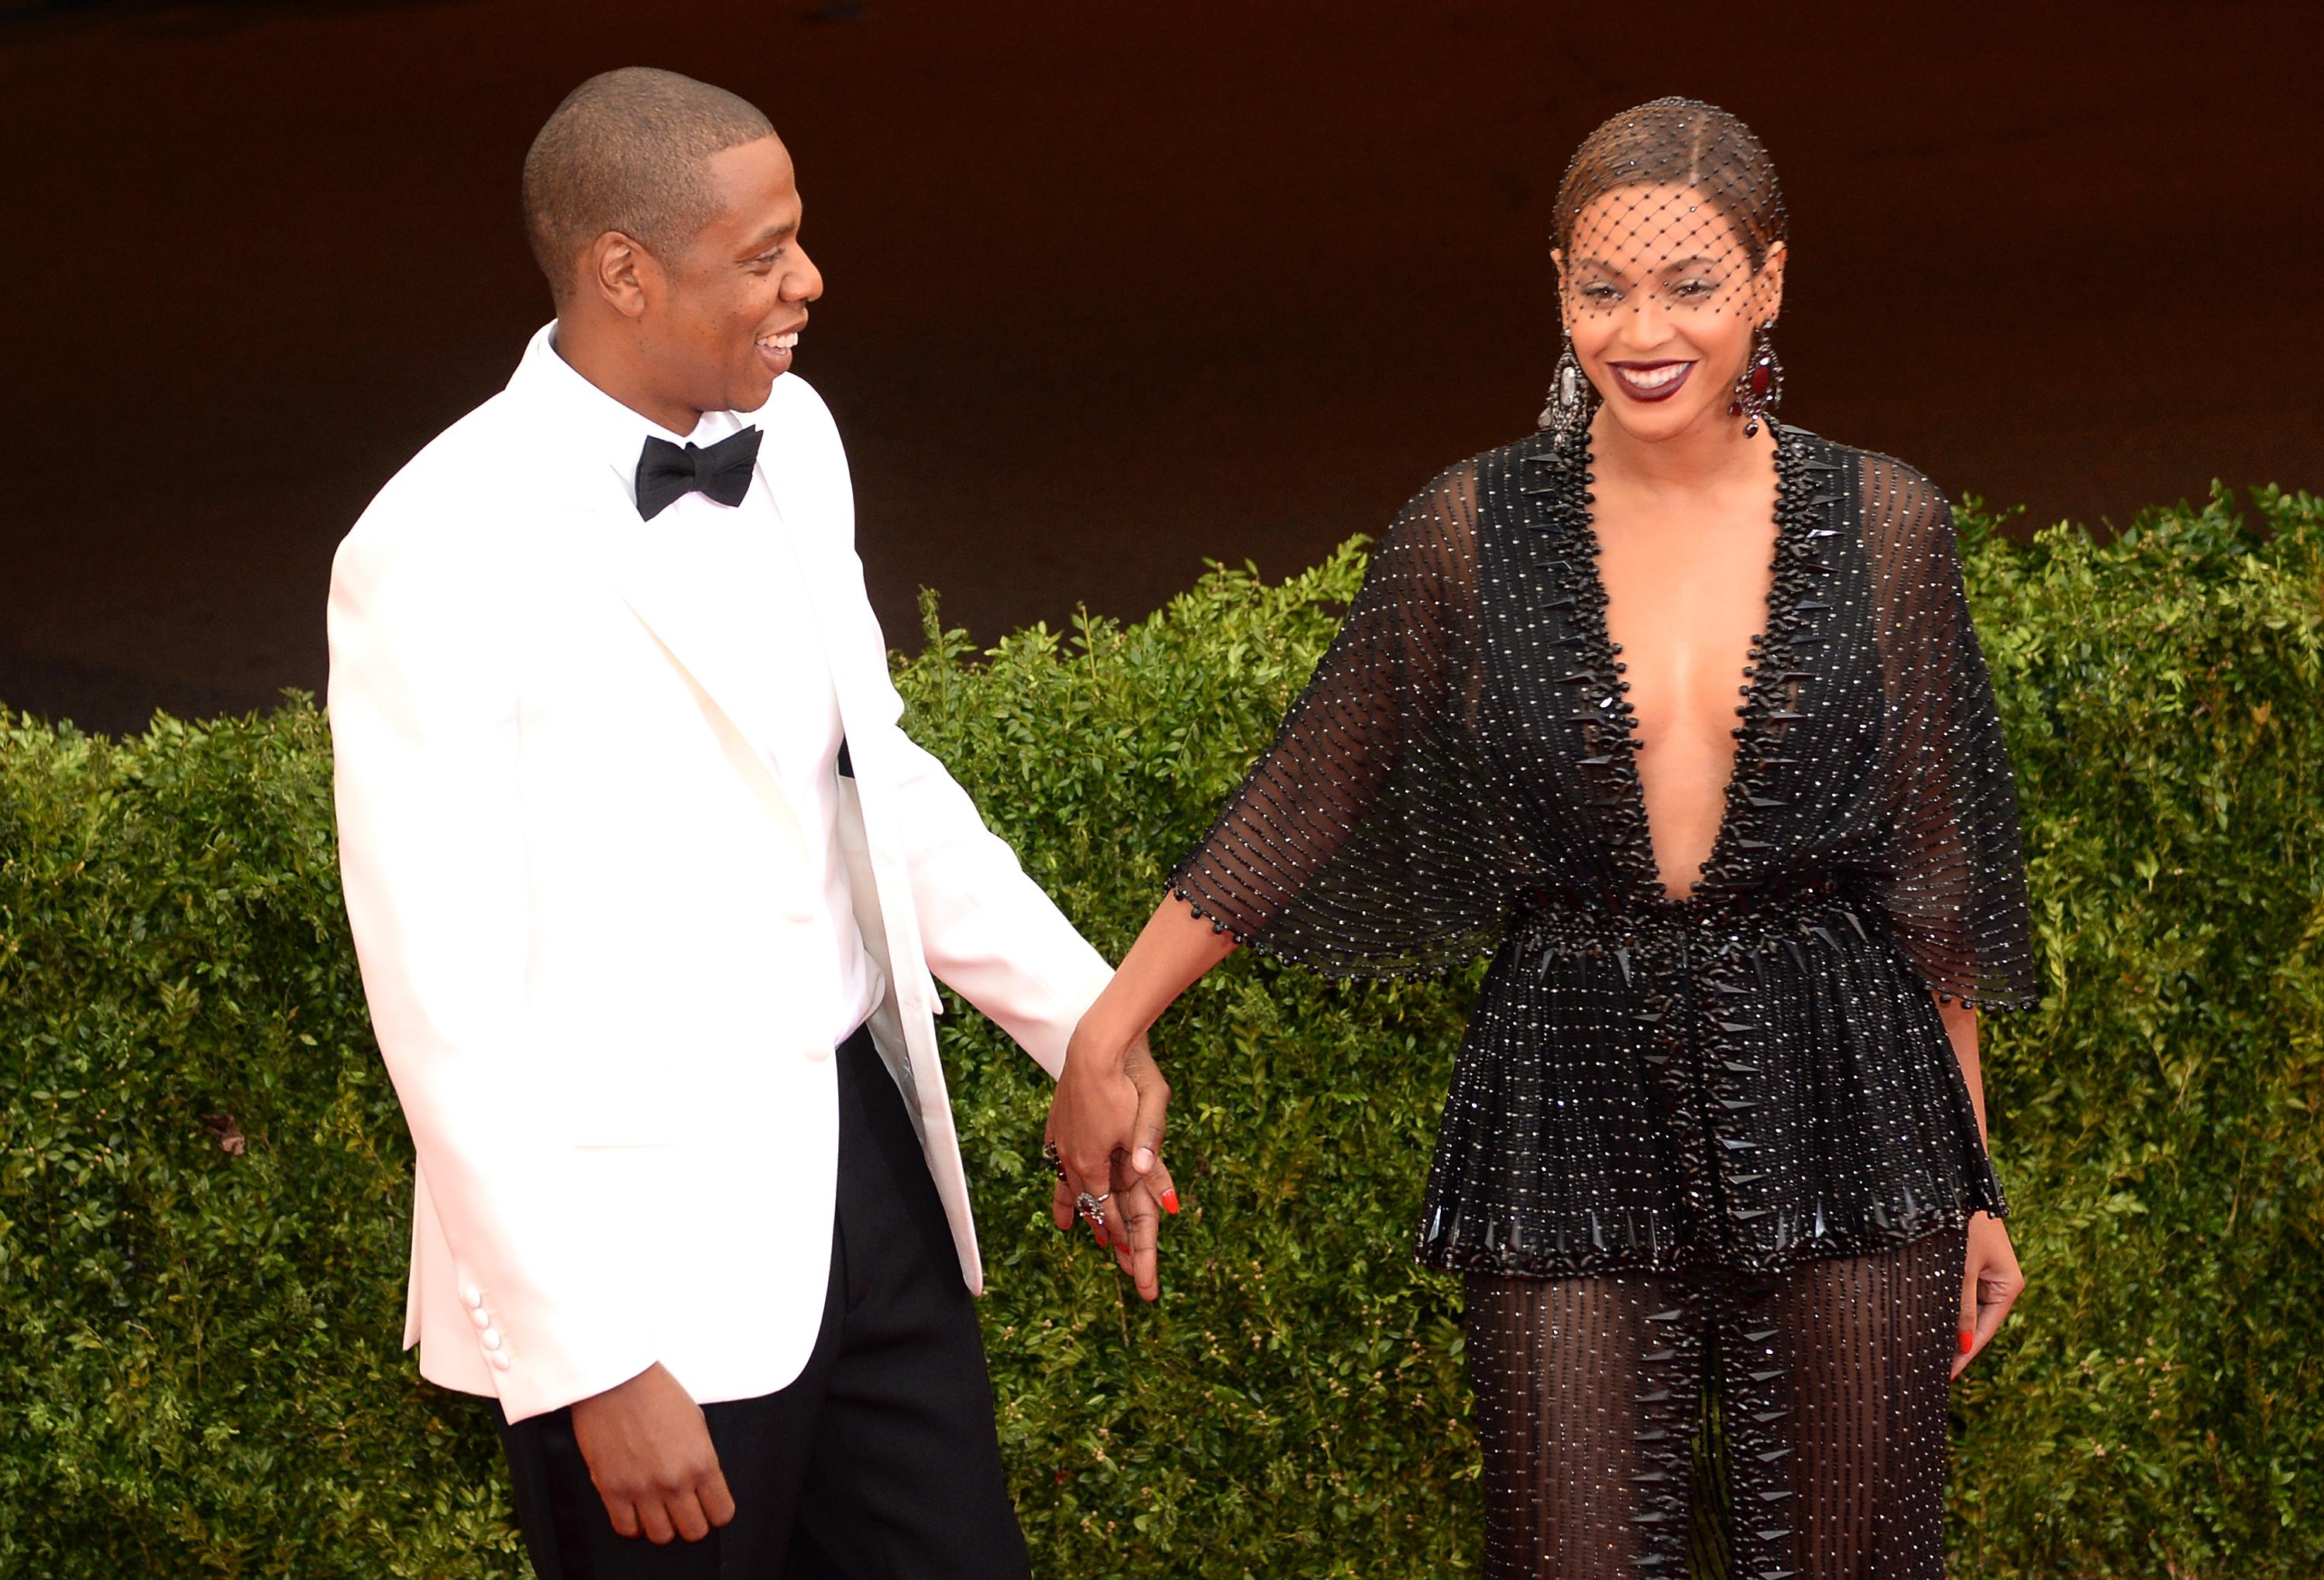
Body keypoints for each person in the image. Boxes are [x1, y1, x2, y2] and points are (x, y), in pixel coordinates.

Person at [1045, 98, 2033, 1577]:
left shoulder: (1887, 522)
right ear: (1558, 283)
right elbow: (1306, 796)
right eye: (1603, 286)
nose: (1645, 330)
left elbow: (1936, 871)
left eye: (1692, 284)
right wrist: (1102, 1033)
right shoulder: (1470, 527)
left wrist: (1970, 1177)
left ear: (1769, 283)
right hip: (1570, 1093)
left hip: (1852, 1096)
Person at [329, 67, 1171, 1578]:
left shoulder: (799, 437)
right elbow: (437, 1010)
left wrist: (1088, 1029)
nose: (809, 283)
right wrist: (585, 1357)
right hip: (641, 1265)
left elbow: (876, 781)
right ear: (624, 271)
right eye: (765, 253)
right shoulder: (433, 544)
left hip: (866, 1188)